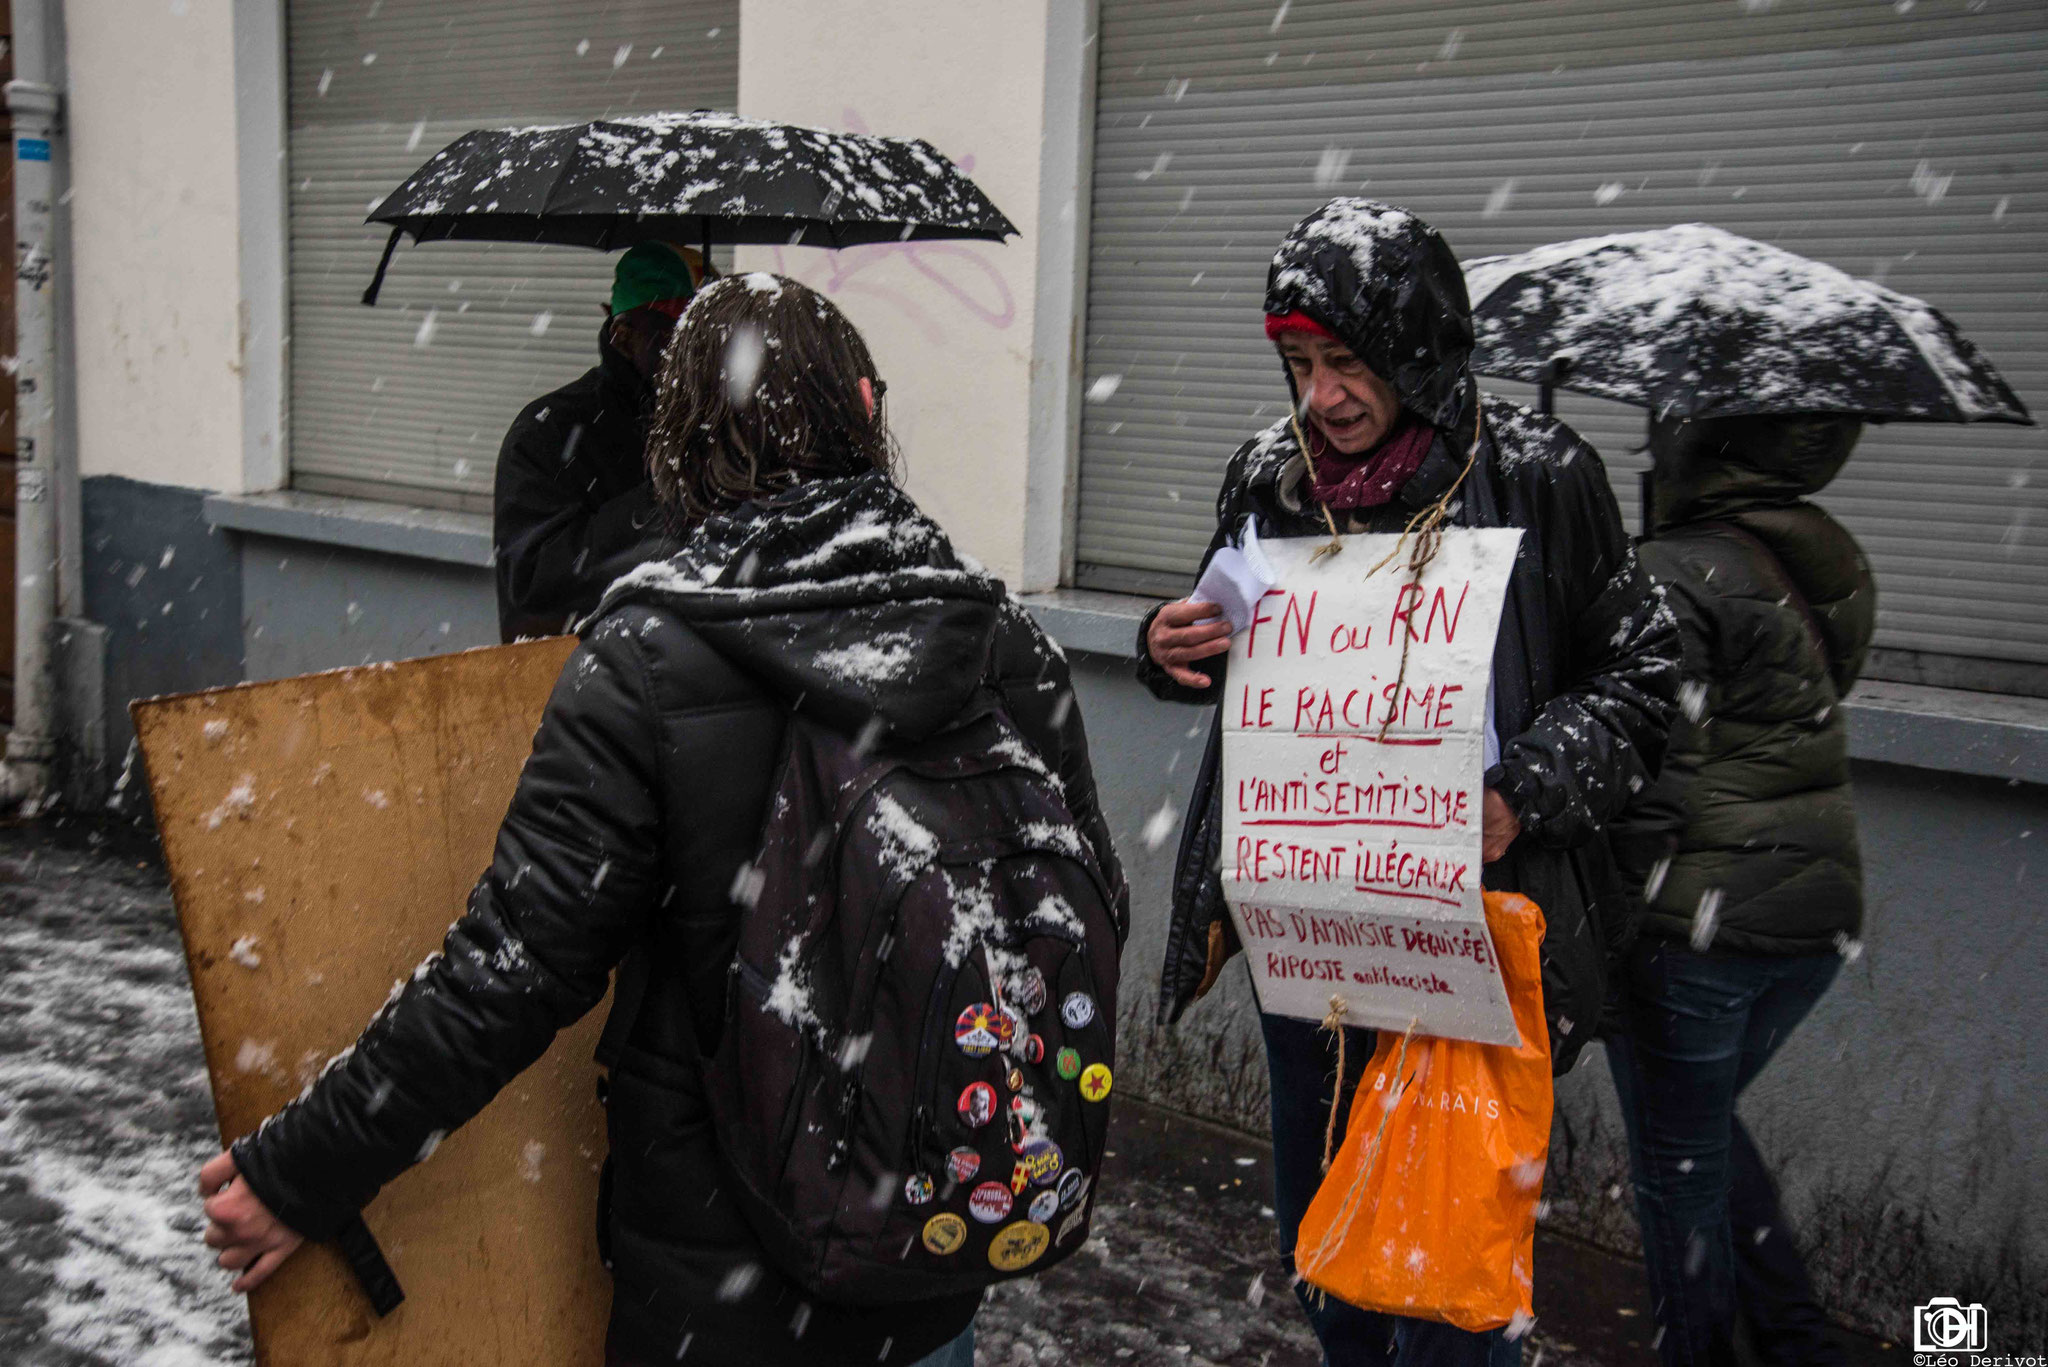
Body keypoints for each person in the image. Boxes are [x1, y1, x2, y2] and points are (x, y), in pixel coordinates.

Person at [197, 273, 1124, 1367]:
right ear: (867, 412)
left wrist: (302, 1168)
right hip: (930, 1244)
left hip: (719, 1277)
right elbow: (1091, 897)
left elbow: (510, 970)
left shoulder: (642, 663)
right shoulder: (1000, 638)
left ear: (673, 445)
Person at [1136, 199, 1680, 1366]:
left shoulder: (1536, 474)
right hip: (1306, 945)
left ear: (1417, 350)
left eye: (1346, 361)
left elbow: (1648, 673)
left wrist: (1522, 787)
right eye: (1296, 363)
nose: (1318, 395)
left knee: (1445, 1289)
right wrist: (1166, 649)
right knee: (1327, 1266)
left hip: (1463, 946)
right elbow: (1220, 634)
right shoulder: (1267, 477)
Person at [1606, 414, 1874, 1366]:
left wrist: (1611, 902)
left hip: (1699, 923)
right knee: (1704, 1129)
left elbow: (1653, 763)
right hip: (1814, 910)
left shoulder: (1677, 571)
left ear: (1700, 451)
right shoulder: (1819, 556)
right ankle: (1800, 1341)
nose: (1648, 451)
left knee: (1677, 1168)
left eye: (1665, 437)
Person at [493, 241, 705, 641]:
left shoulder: (709, 421)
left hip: (691, 667)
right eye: (675, 333)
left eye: (703, 332)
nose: (693, 353)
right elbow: (535, 578)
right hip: (585, 674)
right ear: (624, 336)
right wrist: (667, 499)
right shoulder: (546, 434)